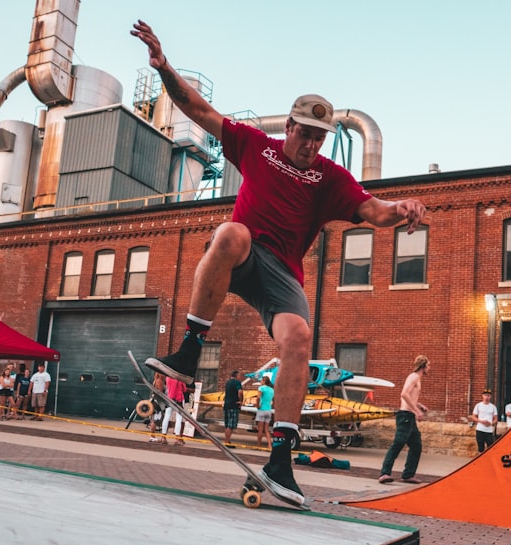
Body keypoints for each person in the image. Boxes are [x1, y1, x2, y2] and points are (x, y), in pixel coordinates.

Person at [131, 20, 427, 507]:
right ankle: (188, 350)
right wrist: (164, 70)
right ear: (287, 128)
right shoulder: (255, 146)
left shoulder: (331, 178)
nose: (311, 146)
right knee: (228, 233)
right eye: (304, 135)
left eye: (319, 139)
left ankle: (282, 460)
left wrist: (403, 210)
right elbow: (198, 109)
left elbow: (373, 211)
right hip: (243, 254)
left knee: (299, 338)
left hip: (282, 273)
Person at [378, 355, 429, 484]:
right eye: (428, 365)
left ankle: (408, 475)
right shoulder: (414, 377)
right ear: (423, 366)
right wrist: (417, 411)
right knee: (398, 444)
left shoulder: (416, 378)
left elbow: (409, 397)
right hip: (405, 416)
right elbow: (404, 394)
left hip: (409, 416)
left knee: (416, 446)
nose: (430, 368)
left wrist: (419, 405)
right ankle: (384, 474)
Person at [160, 376, 188, 445]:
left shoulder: (168, 378)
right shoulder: (180, 379)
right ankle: (177, 438)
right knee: (178, 419)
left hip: (169, 398)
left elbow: (167, 387)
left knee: (166, 417)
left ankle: (163, 437)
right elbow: (184, 389)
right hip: (179, 399)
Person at [471, 389, 498, 453]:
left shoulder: (493, 407)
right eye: (485, 395)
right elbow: (473, 417)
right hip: (480, 429)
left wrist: (490, 423)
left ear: (490, 397)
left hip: (489, 430)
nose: (486, 397)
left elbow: (495, 419)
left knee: (491, 447)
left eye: (488, 395)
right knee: (481, 447)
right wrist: (481, 421)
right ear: (482, 396)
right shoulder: (478, 405)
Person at [222, 369, 243, 448]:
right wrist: (241, 401)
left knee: (227, 424)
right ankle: (226, 442)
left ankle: (227, 440)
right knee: (231, 425)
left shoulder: (228, 382)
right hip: (233, 405)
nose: (240, 377)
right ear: (236, 376)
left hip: (227, 404)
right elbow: (240, 392)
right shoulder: (237, 383)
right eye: (240, 375)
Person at [255, 375, 274, 448]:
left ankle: (259, 445)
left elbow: (258, 398)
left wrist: (257, 405)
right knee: (266, 429)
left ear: (264, 381)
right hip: (268, 410)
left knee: (260, 430)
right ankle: (269, 445)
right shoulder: (272, 390)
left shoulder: (261, 388)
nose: (260, 382)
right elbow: (272, 400)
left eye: (261, 380)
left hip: (262, 409)